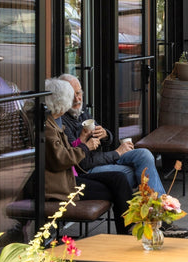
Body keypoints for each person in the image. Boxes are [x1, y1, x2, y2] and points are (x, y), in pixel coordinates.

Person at [43, 78, 134, 234]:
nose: (76, 100)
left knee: (119, 178)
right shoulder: (49, 126)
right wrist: (86, 146)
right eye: (71, 97)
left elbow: (68, 151)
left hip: (72, 176)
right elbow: (62, 159)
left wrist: (83, 139)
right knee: (118, 187)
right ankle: (128, 232)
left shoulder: (55, 121)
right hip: (63, 184)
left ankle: (129, 229)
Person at [58, 73, 167, 195]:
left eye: (78, 93)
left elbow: (107, 139)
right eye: (72, 96)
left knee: (144, 154)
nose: (77, 99)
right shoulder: (62, 122)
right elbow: (83, 162)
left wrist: (105, 135)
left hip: (103, 160)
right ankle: (157, 207)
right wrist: (117, 153)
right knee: (135, 172)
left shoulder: (82, 112)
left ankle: (157, 205)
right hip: (88, 171)